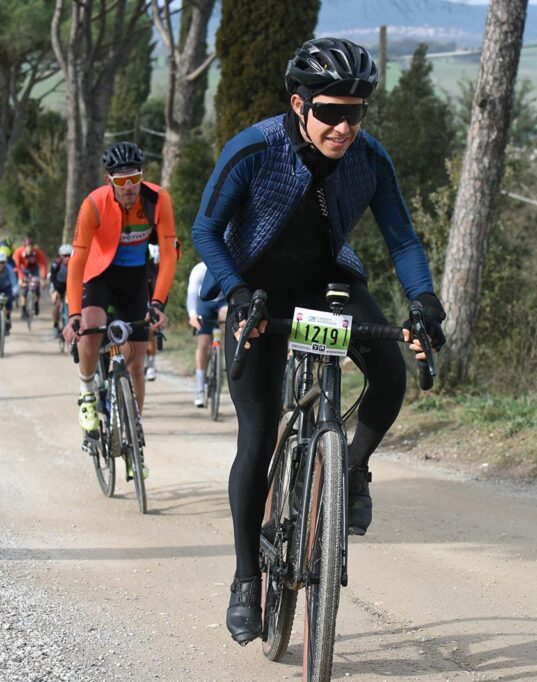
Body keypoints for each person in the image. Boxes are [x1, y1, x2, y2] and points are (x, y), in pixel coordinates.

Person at [192, 37, 447, 643]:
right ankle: (246, 579)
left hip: (327, 285)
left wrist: (424, 299)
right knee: (256, 436)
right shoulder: (255, 149)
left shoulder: (370, 159)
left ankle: (351, 468)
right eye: (329, 112)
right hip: (256, 293)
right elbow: (207, 229)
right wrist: (234, 291)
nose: (342, 126)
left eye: (353, 114)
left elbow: (403, 239)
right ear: (298, 104)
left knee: (388, 367)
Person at [62, 141, 180, 451]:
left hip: (135, 279)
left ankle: (133, 427)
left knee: (137, 361)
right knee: (90, 328)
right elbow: (76, 262)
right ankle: (87, 391)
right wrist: (74, 313)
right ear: (109, 180)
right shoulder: (94, 204)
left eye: (134, 178)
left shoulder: (157, 200)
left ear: (143, 176)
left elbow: (169, 256)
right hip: (99, 274)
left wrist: (157, 302)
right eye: (121, 180)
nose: (129, 187)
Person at [186, 261, 227, 407]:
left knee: (226, 314)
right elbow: (191, 296)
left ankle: (226, 348)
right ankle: (199, 388)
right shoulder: (199, 269)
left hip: (223, 302)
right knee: (203, 344)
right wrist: (192, 315)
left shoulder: (225, 264)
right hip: (205, 304)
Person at [13, 237, 48, 318]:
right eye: (27, 246)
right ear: (24, 247)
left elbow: (43, 265)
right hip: (23, 270)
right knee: (24, 291)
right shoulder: (18, 252)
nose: (29, 248)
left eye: (31, 246)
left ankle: (36, 304)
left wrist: (43, 278)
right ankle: (24, 309)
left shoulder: (38, 252)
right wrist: (20, 279)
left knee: (36, 287)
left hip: (34, 269)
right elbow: (16, 266)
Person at [144, 243, 161, 381]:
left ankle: (151, 364)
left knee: (151, 329)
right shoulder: (145, 268)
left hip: (151, 300)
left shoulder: (157, 273)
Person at [50, 244, 72, 337]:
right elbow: (53, 279)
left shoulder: (75, 263)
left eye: (69, 255)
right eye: (65, 256)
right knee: (57, 304)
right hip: (58, 286)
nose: (67, 258)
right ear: (60, 256)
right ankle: (55, 326)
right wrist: (55, 291)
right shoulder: (56, 265)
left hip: (70, 286)